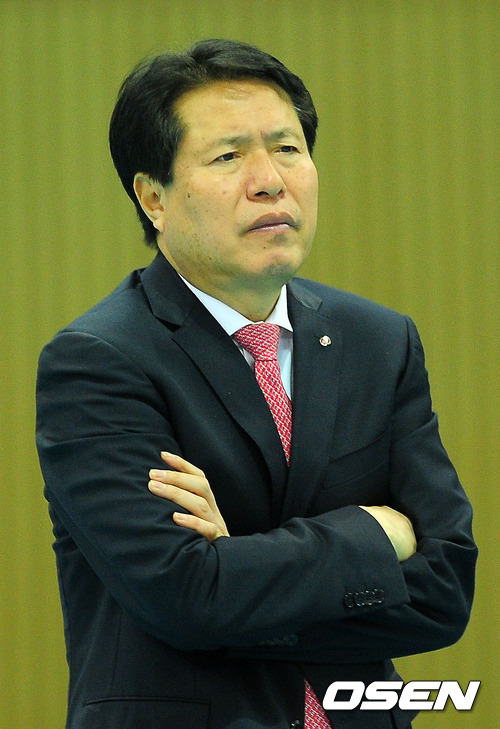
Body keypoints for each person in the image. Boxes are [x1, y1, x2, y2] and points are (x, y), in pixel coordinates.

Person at [36, 39, 477, 729]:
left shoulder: (379, 341)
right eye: (228, 156)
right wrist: (372, 533)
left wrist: (237, 574)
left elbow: (446, 590)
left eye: (287, 148)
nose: (270, 180)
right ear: (152, 197)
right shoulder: (99, 360)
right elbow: (182, 596)